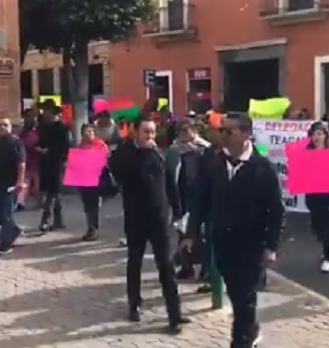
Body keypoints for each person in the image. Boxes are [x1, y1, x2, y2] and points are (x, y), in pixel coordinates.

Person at [182, 112, 285, 348]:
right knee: (237, 295)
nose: (223, 136)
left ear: (246, 134)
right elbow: (200, 201)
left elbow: (277, 211)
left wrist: (271, 246)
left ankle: (241, 341)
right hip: (222, 241)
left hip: (251, 244)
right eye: (222, 131)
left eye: (229, 131)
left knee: (245, 296)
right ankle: (251, 328)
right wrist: (190, 234)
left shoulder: (263, 168)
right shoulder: (214, 164)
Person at [111, 116, 190, 334]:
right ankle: (134, 303)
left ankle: (175, 314)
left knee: (165, 265)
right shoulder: (125, 153)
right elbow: (118, 172)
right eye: (146, 132)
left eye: (153, 132)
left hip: (159, 219)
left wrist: (178, 211)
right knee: (134, 261)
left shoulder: (159, 155)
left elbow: (170, 184)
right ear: (136, 132)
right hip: (136, 218)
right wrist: (133, 149)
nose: (150, 136)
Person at [164, 118, 211, 280]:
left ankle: (206, 269)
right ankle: (186, 266)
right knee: (182, 232)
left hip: (200, 195)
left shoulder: (204, 148)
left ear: (194, 130)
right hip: (180, 195)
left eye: (186, 130)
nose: (183, 134)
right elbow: (168, 173)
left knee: (202, 234)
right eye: (180, 131)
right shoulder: (173, 150)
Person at [304, 122, 329, 274]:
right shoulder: (306, 152)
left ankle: (327, 258)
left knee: (328, 227)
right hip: (314, 195)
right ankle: (325, 243)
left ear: (326, 136)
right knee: (317, 227)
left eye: (320, 134)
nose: (317, 137)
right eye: (314, 134)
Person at [0, 117, 26, 255]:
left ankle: (5, 243)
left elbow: (21, 163)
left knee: (5, 214)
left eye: (5, 125)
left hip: (10, 184)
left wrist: (20, 182)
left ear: (10, 128)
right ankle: (14, 230)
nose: (2, 127)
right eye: (0, 125)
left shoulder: (15, 142)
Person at [37, 104, 69, 231]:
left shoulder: (62, 128)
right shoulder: (42, 126)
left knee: (53, 191)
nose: (45, 113)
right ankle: (58, 220)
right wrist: (38, 148)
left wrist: (49, 150)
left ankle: (46, 219)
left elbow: (64, 146)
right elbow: (38, 141)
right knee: (54, 193)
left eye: (47, 111)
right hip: (45, 162)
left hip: (57, 162)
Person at [78, 123, 108, 241]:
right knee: (87, 205)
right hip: (84, 180)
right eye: (86, 132)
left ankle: (93, 228)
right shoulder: (80, 146)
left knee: (93, 206)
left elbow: (105, 159)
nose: (88, 134)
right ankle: (90, 227)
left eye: (90, 132)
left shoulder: (99, 145)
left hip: (96, 180)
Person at [19, 109, 41, 208]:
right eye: (30, 116)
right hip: (27, 161)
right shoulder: (23, 132)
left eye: (34, 116)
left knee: (35, 186)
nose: (33, 119)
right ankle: (20, 202)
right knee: (26, 184)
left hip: (36, 162)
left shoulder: (39, 130)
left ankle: (41, 202)